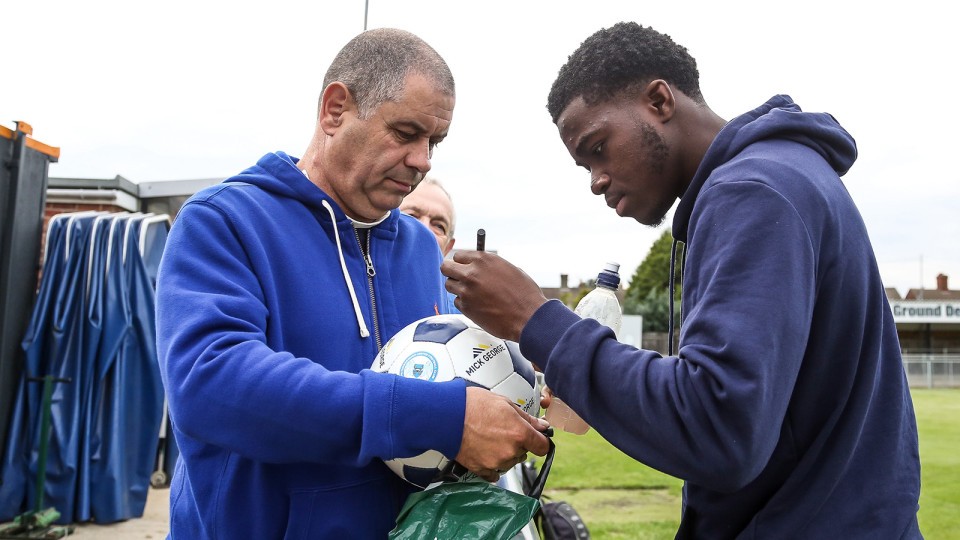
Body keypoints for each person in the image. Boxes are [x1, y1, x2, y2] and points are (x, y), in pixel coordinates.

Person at [441, 22, 922, 539]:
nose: (596, 180)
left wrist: (537, 321)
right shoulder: (778, 177)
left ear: (659, 101)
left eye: (598, 147)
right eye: (584, 165)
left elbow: (719, 428)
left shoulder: (753, 193)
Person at [155, 28, 550, 539]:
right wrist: (441, 417)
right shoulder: (223, 221)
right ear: (335, 109)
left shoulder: (419, 249)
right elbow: (210, 384)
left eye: (435, 142)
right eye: (406, 133)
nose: (424, 160)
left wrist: (514, 387)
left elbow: (458, 372)